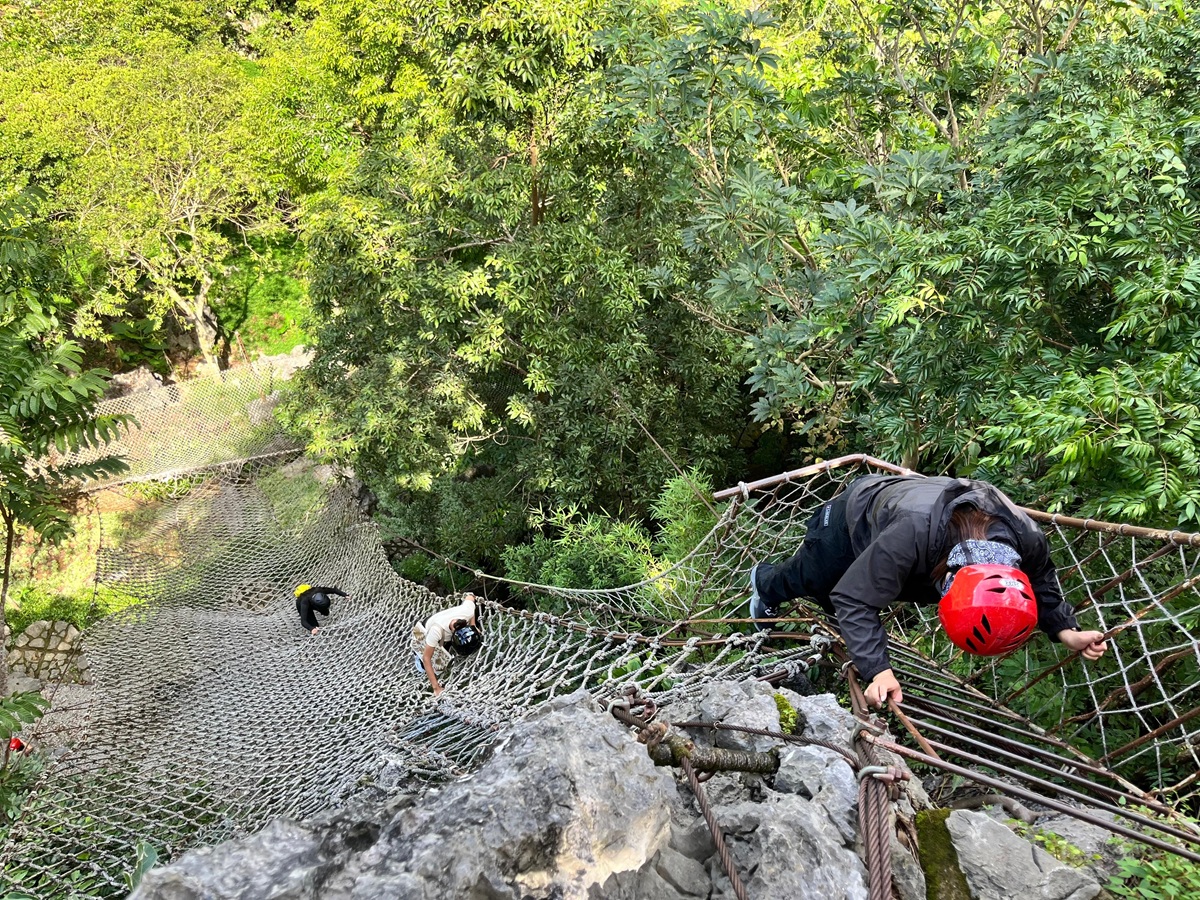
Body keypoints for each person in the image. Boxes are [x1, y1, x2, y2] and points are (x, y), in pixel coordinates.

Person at [748, 473, 1108, 709]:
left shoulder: (1026, 539)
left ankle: (834, 619)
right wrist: (878, 670)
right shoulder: (911, 534)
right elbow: (855, 598)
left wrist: (1065, 630)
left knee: (851, 595)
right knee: (811, 579)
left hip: (920, 537)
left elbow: (1042, 578)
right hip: (851, 519)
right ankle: (763, 585)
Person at [412, 592, 483, 696]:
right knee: (425, 666)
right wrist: (436, 687)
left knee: (445, 653)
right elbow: (426, 658)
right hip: (426, 630)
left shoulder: (467, 611)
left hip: (445, 629)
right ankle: (416, 659)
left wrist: (473, 625)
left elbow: (470, 597)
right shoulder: (436, 632)